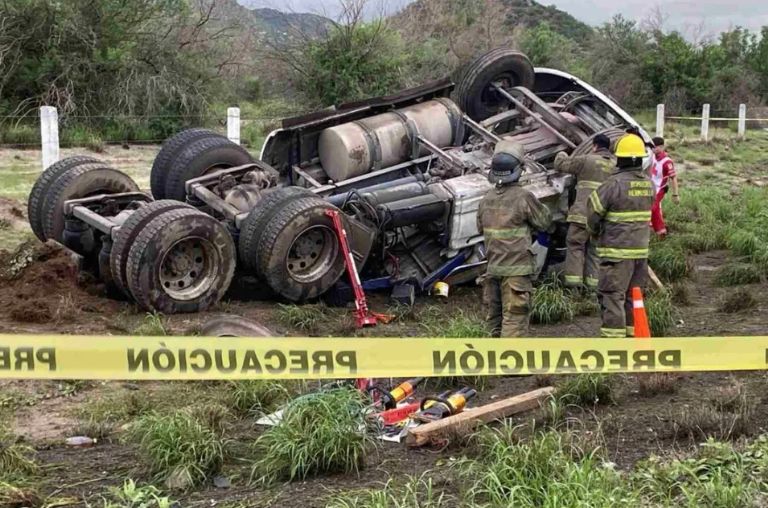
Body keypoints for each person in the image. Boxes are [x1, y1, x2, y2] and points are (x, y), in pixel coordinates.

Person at [477, 140, 552, 337]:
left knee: (493, 322)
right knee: (514, 322)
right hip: (516, 273)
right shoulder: (523, 197)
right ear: (519, 170)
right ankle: (511, 367)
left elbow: (480, 228)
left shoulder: (485, 200)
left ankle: (491, 364)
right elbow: (544, 222)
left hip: (493, 269)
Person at [586, 133, 654, 338]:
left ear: (620, 158)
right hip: (640, 252)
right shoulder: (649, 184)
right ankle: (632, 336)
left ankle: (613, 342)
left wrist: (594, 233)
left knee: (612, 296)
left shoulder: (612, 185)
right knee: (633, 296)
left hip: (616, 253)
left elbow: (593, 214)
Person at [554, 134, 616, 291]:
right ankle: (592, 290)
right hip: (602, 218)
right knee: (594, 251)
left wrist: (562, 152)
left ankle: (573, 288)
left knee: (575, 246)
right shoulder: (615, 166)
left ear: (594, 146)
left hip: (582, 214)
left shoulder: (586, 160)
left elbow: (560, 164)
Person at [649, 136, 679, 238]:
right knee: (655, 208)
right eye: (653, 147)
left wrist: (675, 194)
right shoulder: (651, 156)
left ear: (662, 147)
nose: (654, 149)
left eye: (656, 147)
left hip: (659, 189)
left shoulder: (667, 161)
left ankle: (660, 230)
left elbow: (673, 178)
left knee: (653, 208)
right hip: (649, 187)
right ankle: (659, 229)